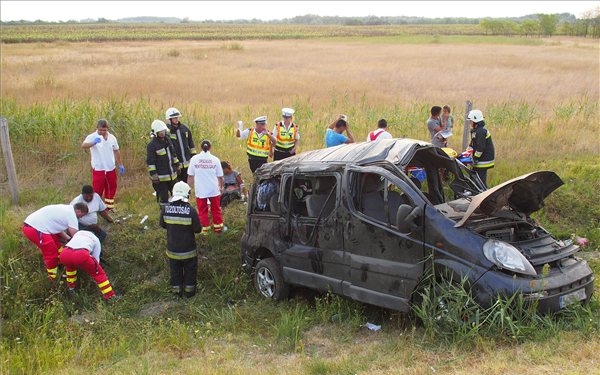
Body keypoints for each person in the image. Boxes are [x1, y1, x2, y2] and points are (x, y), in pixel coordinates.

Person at [22, 203, 88, 281]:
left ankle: (61, 265)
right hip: (36, 228)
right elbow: (76, 236)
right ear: (79, 211)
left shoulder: (66, 209)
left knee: (58, 246)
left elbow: (58, 229)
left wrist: (68, 239)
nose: (81, 217)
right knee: (51, 253)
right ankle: (53, 278)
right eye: (82, 215)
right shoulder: (72, 215)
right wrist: (84, 247)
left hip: (37, 226)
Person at [159, 181, 202, 298]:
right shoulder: (191, 211)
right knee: (190, 271)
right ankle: (189, 293)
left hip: (172, 250)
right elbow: (198, 229)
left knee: (175, 271)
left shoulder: (165, 209)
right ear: (187, 194)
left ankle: (176, 292)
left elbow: (163, 225)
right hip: (188, 251)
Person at [59, 230, 118, 302]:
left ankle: (71, 289)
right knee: (99, 274)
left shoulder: (78, 233)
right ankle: (110, 297)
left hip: (65, 252)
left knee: (70, 269)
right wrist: (93, 269)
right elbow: (96, 260)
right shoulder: (96, 239)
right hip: (81, 254)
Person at [81, 119, 124, 211]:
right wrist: (93, 142)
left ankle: (109, 208)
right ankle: (96, 208)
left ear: (107, 129)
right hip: (98, 168)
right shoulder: (92, 136)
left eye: (104, 130)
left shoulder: (112, 138)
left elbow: (116, 150)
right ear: (97, 128)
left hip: (110, 168)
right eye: (100, 130)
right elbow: (83, 145)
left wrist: (120, 164)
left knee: (111, 188)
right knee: (97, 189)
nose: (102, 132)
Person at [187, 139, 225, 236]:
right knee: (216, 209)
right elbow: (220, 177)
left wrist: (188, 189)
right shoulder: (215, 159)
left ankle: (205, 231)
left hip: (201, 191)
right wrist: (221, 187)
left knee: (202, 210)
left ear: (201, 147)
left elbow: (190, 176)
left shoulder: (194, 159)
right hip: (214, 190)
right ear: (210, 147)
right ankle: (218, 228)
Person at [146, 119, 181, 205]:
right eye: (160, 131)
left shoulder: (168, 140)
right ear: (155, 133)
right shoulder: (152, 145)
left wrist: (177, 165)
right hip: (161, 178)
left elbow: (173, 154)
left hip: (172, 175)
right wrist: (154, 175)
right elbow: (151, 162)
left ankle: (177, 210)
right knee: (164, 196)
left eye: (163, 131)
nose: (162, 133)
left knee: (176, 194)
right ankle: (164, 212)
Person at [165, 107, 197, 182]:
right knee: (177, 184)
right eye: (174, 118)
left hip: (187, 162)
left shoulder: (185, 129)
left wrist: (194, 157)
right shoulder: (167, 131)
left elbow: (191, 144)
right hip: (175, 164)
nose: (176, 119)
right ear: (169, 119)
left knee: (186, 184)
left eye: (177, 117)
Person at [467, 109, 495, 188]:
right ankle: (474, 193)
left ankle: (482, 195)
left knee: (480, 181)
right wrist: (465, 154)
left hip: (484, 160)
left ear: (475, 121)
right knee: (474, 178)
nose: (470, 122)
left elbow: (481, 147)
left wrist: (475, 158)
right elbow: (472, 144)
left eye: (471, 120)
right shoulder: (475, 131)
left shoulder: (481, 131)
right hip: (480, 159)